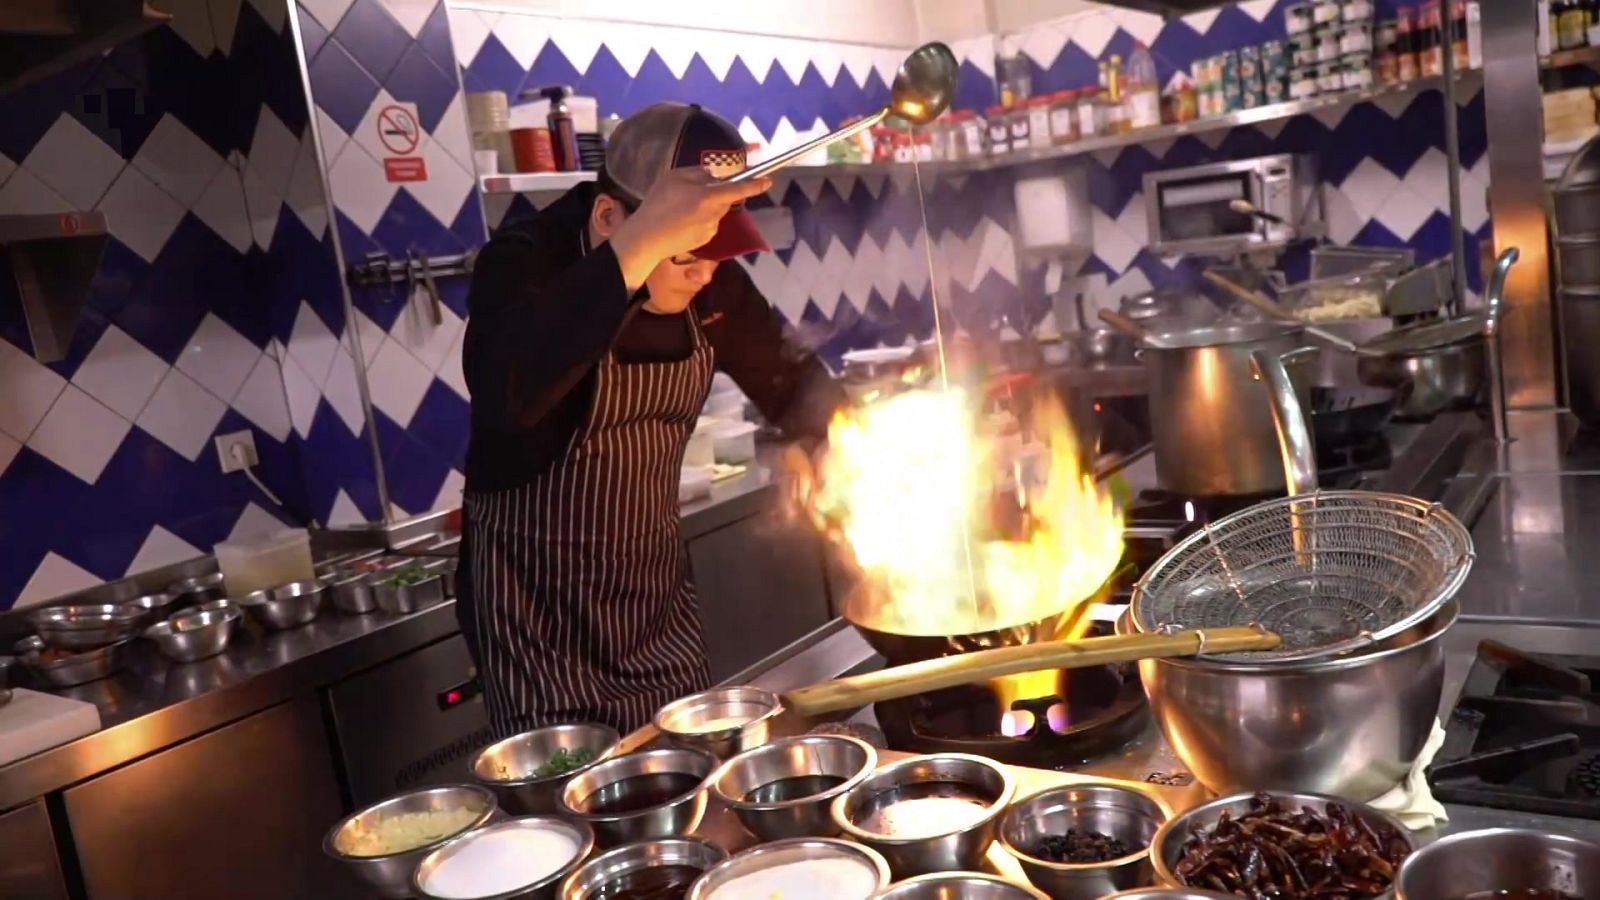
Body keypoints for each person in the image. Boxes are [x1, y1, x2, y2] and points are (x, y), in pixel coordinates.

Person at [457, 102, 843, 737]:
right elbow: (509, 393)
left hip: (653, 608)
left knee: (684, 787)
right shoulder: (525, 261)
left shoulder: (710, 279)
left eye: (714, 252)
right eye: (685, 252)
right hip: (537, 625)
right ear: (610, 218)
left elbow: (796, 385)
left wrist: (847, 445)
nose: (705, 272)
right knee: (571, 804)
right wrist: (640, 248)